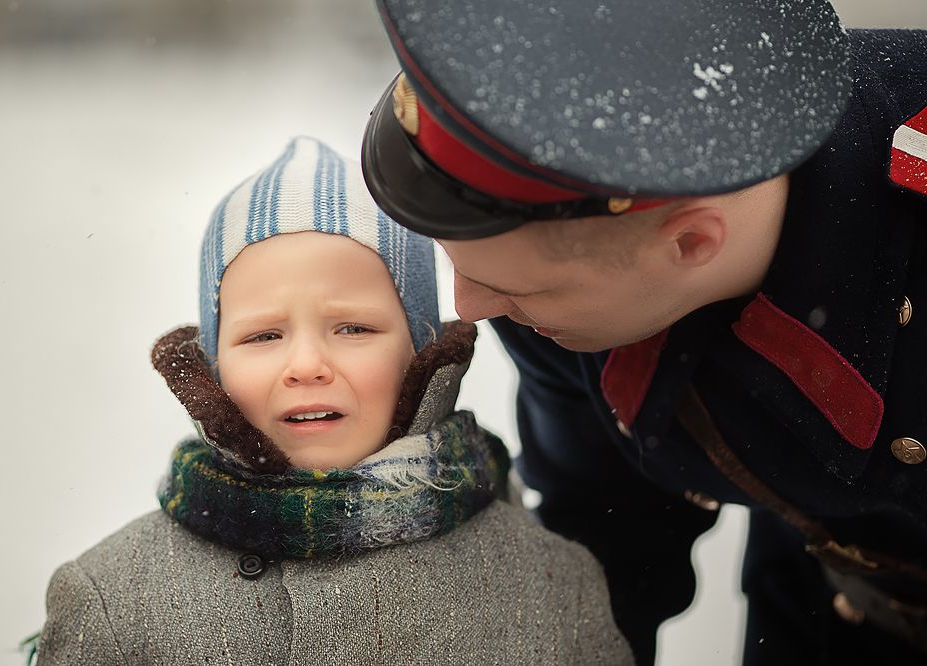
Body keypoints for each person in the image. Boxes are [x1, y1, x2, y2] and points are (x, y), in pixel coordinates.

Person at [360, 1, 927, 664]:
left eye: (520, 289)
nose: (469, 307)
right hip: (831, 608)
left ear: (690, 242)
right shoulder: (552, 293)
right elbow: (609, 526)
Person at [33, 136, 634, 665]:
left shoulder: (550, 586)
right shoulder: (115, 598)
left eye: (353, 328)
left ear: (422, 353)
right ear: (213, 367)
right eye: (263, 336)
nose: (306, 365)